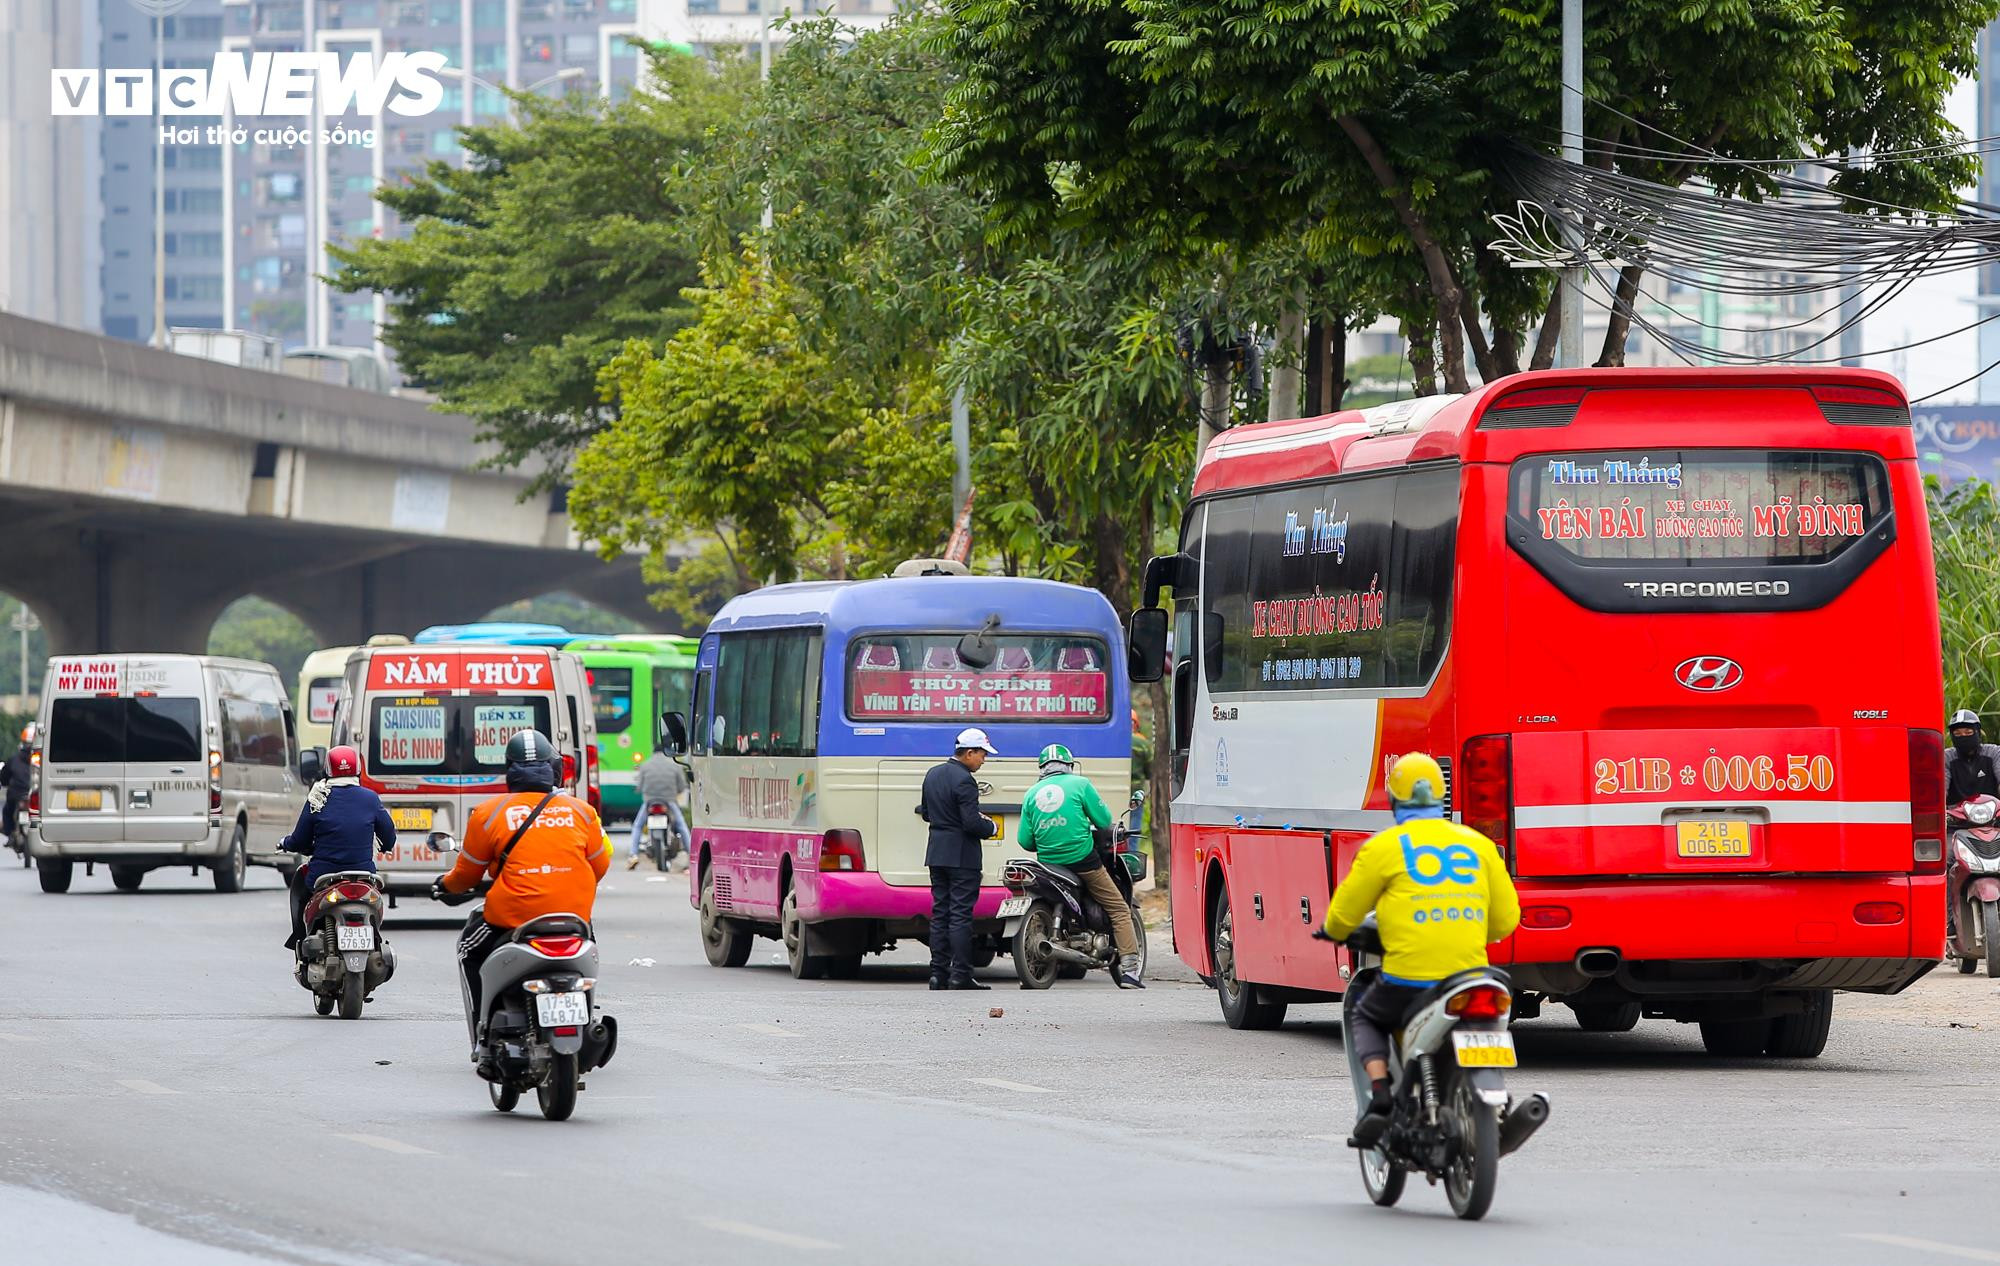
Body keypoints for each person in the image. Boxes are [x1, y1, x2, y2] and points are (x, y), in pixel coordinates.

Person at [1321, 752, 1520, 1147]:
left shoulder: (1383, 848)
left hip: (1410, 981)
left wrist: (1335, 931)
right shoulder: (1478, 844)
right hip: (1473, 978)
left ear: (1394, 800)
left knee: (1365, 1013)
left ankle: (1380, 1095)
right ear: (1442, 796)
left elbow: (1341, 918)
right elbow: (1504, 922)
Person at [434, 730, 610, 1075]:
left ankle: (482, 1035)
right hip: (573, 920)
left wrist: (444, 886)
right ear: (553, 770)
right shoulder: (582, 812)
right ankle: (586, 1016)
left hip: (512, 920)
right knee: (589, 949)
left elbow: (466, 876)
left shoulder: (488, 813)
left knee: (468, 951)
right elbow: (599, 866)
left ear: (509, 771)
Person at [1019, 743, 1143, 989]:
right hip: (1083, 861)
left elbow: (1025, 841)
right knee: (1119, 908)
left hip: (1049, 865)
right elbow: (1104, 821)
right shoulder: (1080, 784)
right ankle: (1130, 971)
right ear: (1069, 766)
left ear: (1042, 769)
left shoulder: (1031, 793)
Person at [278, 745, 396, 950]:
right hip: (364, 876)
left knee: (300, 886)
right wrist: (385, 846)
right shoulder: (370, 798)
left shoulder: (318, 798)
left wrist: (286, 843)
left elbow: (300, 840)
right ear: (357, 769)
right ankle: (375, 940)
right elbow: (389, 837)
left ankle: (300, 936)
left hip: (323, 876)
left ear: (328, 769)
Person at [919, 726, 999, 990]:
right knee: (960, 915)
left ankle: (937, 974)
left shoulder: (932, 774)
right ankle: (960, 975)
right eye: (982, 754)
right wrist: (991, 827)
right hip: (962, 856)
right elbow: (971, 823)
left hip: (936, 853)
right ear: (969, 752)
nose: (983, 760)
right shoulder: (965, 780)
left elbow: (927, 813)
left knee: (940, 913)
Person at [627, 748, 689, 869]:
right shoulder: (674, 766)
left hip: (650, 802)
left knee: (638, 826)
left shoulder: (645, 765)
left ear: (653, 752)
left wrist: (640, 791)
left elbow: (639, 787)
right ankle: (691, 854)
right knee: (681, 826)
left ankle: (633, 855)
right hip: (669, 801)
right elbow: (682, 787)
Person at [1947, 709, 2000, 804]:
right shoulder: (1947, 757)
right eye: (1957, 734)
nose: (1963, 737)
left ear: (1978, 733)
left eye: (1968, 733)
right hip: (1955, 811)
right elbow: (1941, 789)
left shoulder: (1993, 752)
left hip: (1993, 810)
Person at [0, 724, 34, 843]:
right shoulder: (40, 759)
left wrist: (4, 783)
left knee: (7, 811)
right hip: (34, 794)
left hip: (16, 795)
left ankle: (9, 834)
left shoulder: (14, 759)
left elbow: (4, 777)